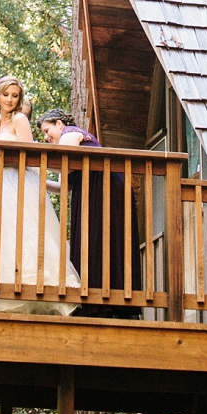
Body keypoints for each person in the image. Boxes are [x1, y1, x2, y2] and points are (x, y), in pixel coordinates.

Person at [0, 77, 78, 314]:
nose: (10, 100)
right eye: (6, 95)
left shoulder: (19, 120)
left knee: (23, 230)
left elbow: (29, 154)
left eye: (14, 95)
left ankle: (33, 287)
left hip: (17, 180)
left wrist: (1, 159)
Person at [39, 109, 141, 316]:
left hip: (103, 189)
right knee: (93, 243)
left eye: (47, 130)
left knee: (103, 241)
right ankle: (98, 303)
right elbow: (63, 187)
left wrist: (37, 162)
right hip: (89, 193)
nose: (46, 137)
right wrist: (37, 180)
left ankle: (108, 304)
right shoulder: (66, 141)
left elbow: (65, 166)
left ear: (59, 124)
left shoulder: (70, 133)